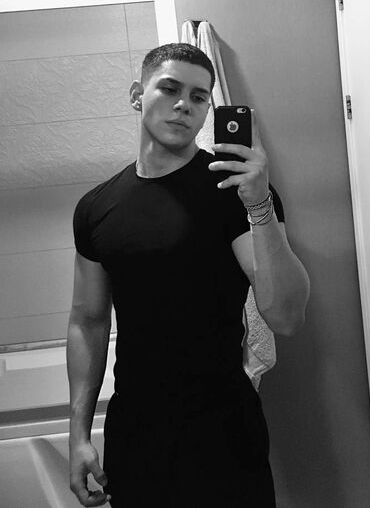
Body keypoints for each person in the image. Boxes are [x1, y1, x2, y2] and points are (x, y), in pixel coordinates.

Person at [67, 43, 310, 508]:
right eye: (170, 89)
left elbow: (286, 316)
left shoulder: (234, 193)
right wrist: (79, 434)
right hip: (135, 434)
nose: (184, 105)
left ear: (207, 112)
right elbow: (87, 321)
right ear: (137, 95)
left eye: (199, 97)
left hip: (225, 432)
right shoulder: (96, 208)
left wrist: (260, 204)